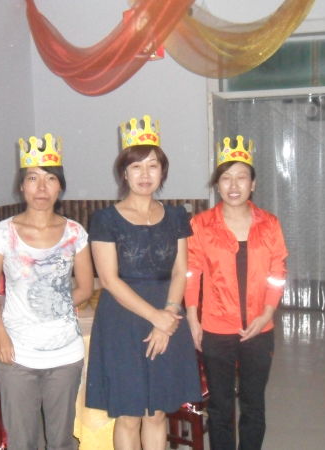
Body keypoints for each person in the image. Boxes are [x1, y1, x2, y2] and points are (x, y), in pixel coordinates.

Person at [85, 115, 201, 450]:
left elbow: (180, 271)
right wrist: (156, 318)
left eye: (153, 166)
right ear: (124, 173)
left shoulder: (176, 216)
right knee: (129, 414)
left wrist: (168, 316)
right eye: (136, 166)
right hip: (123, 320)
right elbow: (109, 280)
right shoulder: (105, 219)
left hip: (168, 312)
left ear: (163, 171)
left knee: (158, 413)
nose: (145, 174)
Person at [0, 133, 94, 450]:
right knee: (22, 441)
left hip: (65, 353)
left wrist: (54, 305)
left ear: (60, 187)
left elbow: (85, 287)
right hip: (17, 352)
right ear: (22, 186)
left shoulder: (75, 233)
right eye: (33, 178)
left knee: (62, 441)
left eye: (50, 179)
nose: (41, 188)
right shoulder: (3, 233)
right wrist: (0, 334)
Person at [185, 135, 288, 450]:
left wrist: (266, 314)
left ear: (253, 184)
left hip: (260, 328)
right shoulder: (201, 224)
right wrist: (193, 319)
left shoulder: (269, 224)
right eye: (226, 177)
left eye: (241, 177)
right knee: (220, 407)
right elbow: (192, 273)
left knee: (254, 404)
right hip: (216, 328)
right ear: (217, 185)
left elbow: (277, 274)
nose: (233, 185)